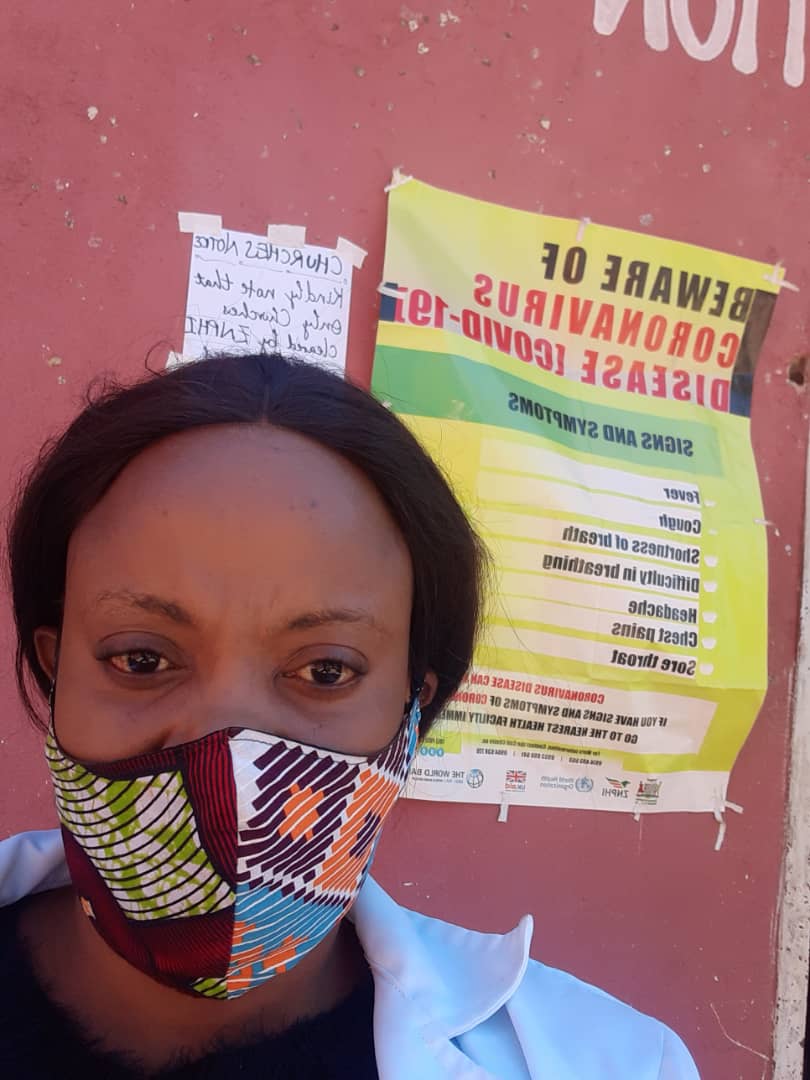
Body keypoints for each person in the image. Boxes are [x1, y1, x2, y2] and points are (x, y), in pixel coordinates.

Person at [0, 353, 700, 1078]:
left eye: (325, 671)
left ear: (411, 706)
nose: (227, 751)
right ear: (55, 672)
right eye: (142, 659)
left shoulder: (622, 1063)